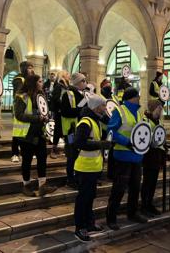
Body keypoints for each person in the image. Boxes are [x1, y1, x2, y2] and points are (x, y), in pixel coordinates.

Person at [106, 87, 148, 231]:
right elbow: (111, 131)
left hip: (137, 156)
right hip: (123, 155)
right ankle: (111, 217)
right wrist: (127, 142)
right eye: (138, 96)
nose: (139, 98)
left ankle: (133, 213)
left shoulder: (139, 111)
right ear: (132, 97)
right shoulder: (120, 110)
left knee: (136, 187)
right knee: (119, 188)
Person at [73, 94, 111, 242]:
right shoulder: (86, 122)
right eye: (103, 106)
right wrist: (100, 144)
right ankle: (79, 228)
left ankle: (89, 224)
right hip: (84, 168)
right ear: (96, 107)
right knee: (83, 199)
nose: (105, 108)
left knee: (90, 197)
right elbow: (79, 143)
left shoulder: (96, 120)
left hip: (93, 167)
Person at [14, 74, 57, 196]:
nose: (42, 83)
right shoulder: (22, 96)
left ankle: (42, 186)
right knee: (27, 161)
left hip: (39, 133)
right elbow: (19, 115)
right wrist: (37, 118)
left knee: (42, 159)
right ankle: (26, 186)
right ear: (33, 83)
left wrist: (46, 117)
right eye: (39, 81)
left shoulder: (41, 95)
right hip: (26, 134)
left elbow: (44, 111)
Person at [61, 73, 87, 188]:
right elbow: (66, 112)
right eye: (83, 81)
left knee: (78, 154)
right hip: (71, 130)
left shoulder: (82, 94)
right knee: (72, 155)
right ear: (77, 82)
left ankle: (78, 177)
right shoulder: (69, 94)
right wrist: (81, 108)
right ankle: (70, 179)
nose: (85, 83)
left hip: (80, 129)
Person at [141, 99, 165, 218]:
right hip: (148, 156)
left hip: (156, 156)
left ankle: (149, 204)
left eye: (161, 108)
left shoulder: (158, 122)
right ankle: (144, 205)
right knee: (147, 182)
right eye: (159, 108)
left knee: (153, 182)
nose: (161, 110)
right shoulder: (145, 120)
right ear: (153, 109)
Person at [11, 61, 35, 163]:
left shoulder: (30, 79)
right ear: (24, 68)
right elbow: (20, 92)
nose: (31, 70)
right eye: (29, 67)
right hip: (20, 107)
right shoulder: (19, 79)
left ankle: (27, 151)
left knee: (28, 131)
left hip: (29, 107)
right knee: (17, 132)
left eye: (32, 67)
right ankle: (15, 153)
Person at [49, 71, 70, 159]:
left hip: (65, 112)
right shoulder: (59, 86)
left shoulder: (66, 86)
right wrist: (63, 104)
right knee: (58, 131)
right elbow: (56, 99)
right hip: (59, 112)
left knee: (67, 131)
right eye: (67, 74)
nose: (69, 76)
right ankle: (53, 150)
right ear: (63, 76)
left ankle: (67, 149)